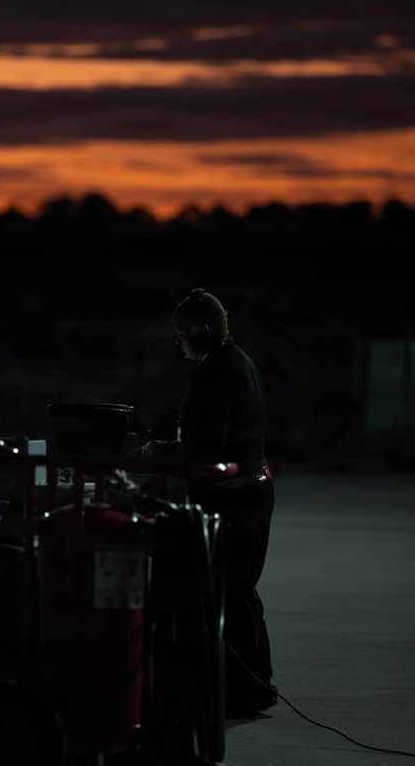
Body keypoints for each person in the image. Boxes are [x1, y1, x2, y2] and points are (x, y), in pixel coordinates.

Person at [135, 288, 276, 718]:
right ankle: (253, 686)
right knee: (239, 593)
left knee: (232, 594)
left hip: (236, 500)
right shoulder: (235, 363)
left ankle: (245, 691)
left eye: (181, 334)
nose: (178, 342)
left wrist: (156, 453)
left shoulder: (219, 375)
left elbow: (204, 452)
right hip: (249, 493)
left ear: (200, 332)